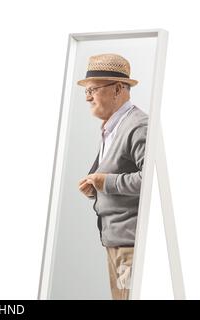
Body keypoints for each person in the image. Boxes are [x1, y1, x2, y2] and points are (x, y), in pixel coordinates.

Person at [77, 53, 148, 300]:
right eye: (86, 90)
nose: (87, 97)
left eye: (93, 89)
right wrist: (96, 188)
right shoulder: (113, 125)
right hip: (116, 241)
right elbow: (120, 173)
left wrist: (105, 182)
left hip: (129, 245)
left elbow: (149, 182)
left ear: (118, 89)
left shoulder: (137, 126)